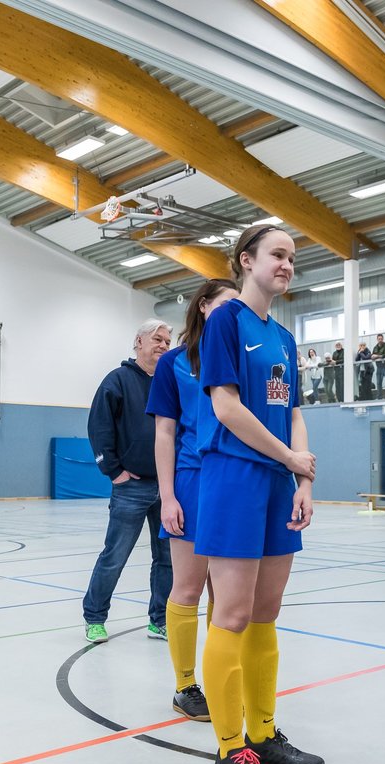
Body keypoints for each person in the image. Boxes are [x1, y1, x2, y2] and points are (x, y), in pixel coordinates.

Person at [197, 223, 323, 764]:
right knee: (233, 613)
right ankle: (229, 751)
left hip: (278, 482)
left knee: (266, 612)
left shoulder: (285, 338)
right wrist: (287, 457)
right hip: (235, 478)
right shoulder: (226, 321)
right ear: (246, 260)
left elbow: (291, 408)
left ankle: (264, 733)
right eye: (277, 254)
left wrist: (301, 475)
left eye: (292, 257)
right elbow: (226, 407)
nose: (287, 264)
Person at [147, 278, 239, 721]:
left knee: (226, 591)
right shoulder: (174, 364)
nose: (234, 313)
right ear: (203, 307)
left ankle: (219, 677)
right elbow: (164, 433)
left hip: (234, 481)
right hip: (190, 482)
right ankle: (186, 685)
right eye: (226, 304)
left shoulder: (241, 361)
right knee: (187, 587)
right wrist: (167, 496)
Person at [83, 319, 174, 644]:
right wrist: (115, 472)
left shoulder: (171, 381)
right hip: (131, 488)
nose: (163, 345)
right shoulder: (117, 381)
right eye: (157, 339)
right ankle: (94, 617)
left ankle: (159, 620)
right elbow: (99, 428)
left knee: (166, 558)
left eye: (167, 340)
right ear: (138, 342)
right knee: (115, 555)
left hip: (168, 489)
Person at [373, 333, 385, 399]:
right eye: (379, 339)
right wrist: (377, 356)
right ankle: (379, 397)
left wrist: (377, 356)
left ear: (383, 339)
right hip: (379, 367)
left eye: (381, 339)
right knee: (378, 383)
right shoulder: (375, 347)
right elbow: (372, 356)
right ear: (377, 339)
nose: (380, 340)